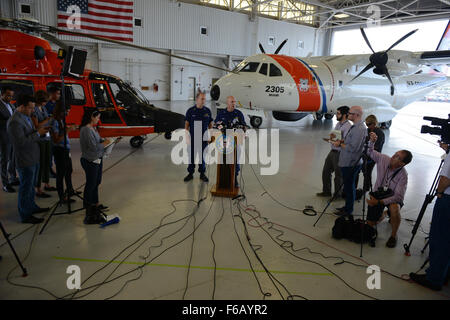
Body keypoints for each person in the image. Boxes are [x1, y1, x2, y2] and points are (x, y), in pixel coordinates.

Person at [410, 142, 450, 290]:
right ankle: (443, 273)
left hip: (447, 200)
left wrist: (439, 193)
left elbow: (445, 178)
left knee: (440, 239)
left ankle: (434, 278)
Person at [7, 94, 50, 224]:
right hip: (25, 159)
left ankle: (31, 207)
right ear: (22, 106)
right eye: (30, 108)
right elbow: (21, 142)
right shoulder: (15, 121)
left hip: (33, 156)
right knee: (26, 187)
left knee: (31, 186)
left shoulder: (25, 117)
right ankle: (25, 214)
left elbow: (30, 134)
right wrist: (38, 133)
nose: (32, 111)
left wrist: (40, 131)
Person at [365, 131, 412, 248]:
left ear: (402, 163)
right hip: (378, 194)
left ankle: (393, 235)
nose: (393, 157)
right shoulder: (384, 159)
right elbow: (369, 152)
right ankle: (385, 214)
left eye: (398, 157)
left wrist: (380, 202)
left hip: (391, 198)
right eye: (395, 154)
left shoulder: (403, 175)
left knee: (395, 208)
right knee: (372, 224)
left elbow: (398, 197)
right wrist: (372, 142)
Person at [334, 106, 367, 217]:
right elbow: (350, 141)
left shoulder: (359, 129)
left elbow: (354, 148)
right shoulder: (355, 127)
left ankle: (348, 210)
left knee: (349, 187)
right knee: (348, 187)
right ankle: (347, 206)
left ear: (356, 115)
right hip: (347, 160)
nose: (348, 115)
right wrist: (343, 140)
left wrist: (340, 144)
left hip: (351, 163)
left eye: (350, 113)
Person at [79, 109, 110, 224]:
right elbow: (93, 147)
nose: (98, 120)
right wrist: (104, 144)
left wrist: (108, 141)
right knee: (91, 183)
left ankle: (95, 203)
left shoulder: (93, 128)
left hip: (97, 158)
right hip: (90, 160)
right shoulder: (86, 130)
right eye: (97, 117)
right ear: (92, 117)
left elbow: (98, 141)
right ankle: (88, 207)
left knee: (96, 182)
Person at [317, 106, 352, 198]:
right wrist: (331, 138)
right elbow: (335, 136)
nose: (336, 115)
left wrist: (338, 142)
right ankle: (326, 191)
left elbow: (346, 141)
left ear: (345, 115)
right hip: (332, 151)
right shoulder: (338, 124)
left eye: (339, 113)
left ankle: (337, 195)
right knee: (326, 171)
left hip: (340, 153)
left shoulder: (348, 126)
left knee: (338, 175)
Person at [214, 96, 247, 187]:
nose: (234, 103)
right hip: (224, 141)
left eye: (234, 102)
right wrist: (220, 128)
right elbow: (216, 124)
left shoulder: (239, 113)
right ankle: (222, 180)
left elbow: (244, 126)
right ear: (227, 103)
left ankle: (234, 178)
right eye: (232, 102)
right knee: (224, 161)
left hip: (236, 141)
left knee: (236, 160)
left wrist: (244, 132)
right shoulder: (221, 113)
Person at [50, 101, 79, 205]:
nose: (67, 113)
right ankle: (61, 197)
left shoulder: (61, 120)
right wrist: (68, 130)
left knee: (69, 169)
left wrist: (68, 128)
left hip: (65, 149)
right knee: (61, 174)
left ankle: (70, 190)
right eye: (66, 111)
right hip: (59, 150)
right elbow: (56, 139)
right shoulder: (55, 122)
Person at [184, 92, 213, 183]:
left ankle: (202, 174)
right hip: (193, 137)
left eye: (204, 99)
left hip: (203, 138)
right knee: (191, 156)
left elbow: (210, 124)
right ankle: (190, 173)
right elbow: (187, 124)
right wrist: (187, 136)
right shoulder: (190, 111)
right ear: (197, 99)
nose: (203, 100)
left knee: (202, 157)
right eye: (202, 98)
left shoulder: (207, 111)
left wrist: (210, 135)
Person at [32, 90, 56, 198]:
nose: (45, 103)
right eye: (44, 101)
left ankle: (46, 183)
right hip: (40, 140)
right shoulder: (34, 110)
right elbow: (36, 126)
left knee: (47, 162)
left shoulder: (44, 108)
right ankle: (38, 188)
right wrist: (47, 119)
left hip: (47, 138)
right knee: (40, 164)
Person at [355, 115, 385, 194]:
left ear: (374, 123)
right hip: (363, 154)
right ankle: (354, 187)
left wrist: (367, 146)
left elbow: (377, 147)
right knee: (358, 171)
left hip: (372, 157)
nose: (367, 126)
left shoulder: (380, 133)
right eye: (366, 124)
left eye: (369, 124)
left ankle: (366, 188)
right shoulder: (367, 130)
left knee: (367, 172)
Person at [0, 86, 19, 192]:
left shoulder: (11, 105)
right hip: (3, 137)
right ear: (1, 94)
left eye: (11, 96)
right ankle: (5, 183)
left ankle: (12, 178)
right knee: (4, 160)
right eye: (8, 95)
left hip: (13, 136)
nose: (10, 98)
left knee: (12, 158)